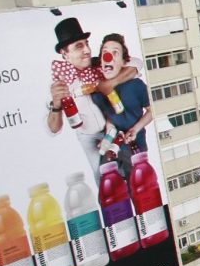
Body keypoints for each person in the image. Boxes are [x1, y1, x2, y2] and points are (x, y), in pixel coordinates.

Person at [45, 17, 139, 174]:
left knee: (132, 170)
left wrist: (110, 83)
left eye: (87, 43)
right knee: (103, 178)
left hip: (115, 127)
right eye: (78, 46)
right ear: (64, 53)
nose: (87, 50)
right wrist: (56, 106)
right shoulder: (58, 83)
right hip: (88, 136)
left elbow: (136, 63)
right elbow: (53, 129)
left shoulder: (99, 65)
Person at [90, 33, 153, 179]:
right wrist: (108, 135)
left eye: (115, 53)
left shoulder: (135, 85)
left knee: (137, 184)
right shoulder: (98, 92)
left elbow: (152, 111)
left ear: (124, 62)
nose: (108, 57)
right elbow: (110, 117)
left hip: (135, 147)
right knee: (110, 186)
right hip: (112, 147)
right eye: (105, 53)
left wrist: (135, 130)